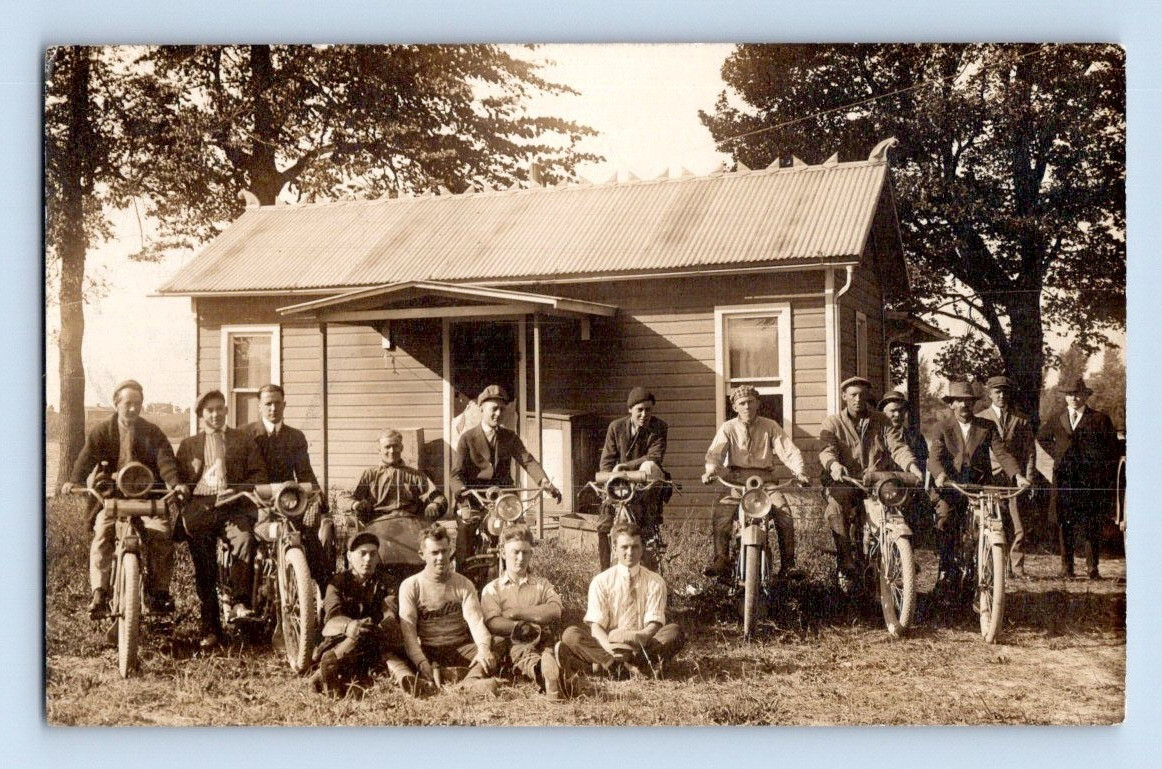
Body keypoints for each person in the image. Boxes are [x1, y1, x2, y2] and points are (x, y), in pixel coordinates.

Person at [62, 380, 188, 619]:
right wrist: (74, 481)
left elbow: (165, 461)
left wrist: (174, 483)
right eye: (128, 403)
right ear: (116, 403)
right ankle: (99, 592)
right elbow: (86, 457)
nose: (132, 408)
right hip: (111, 499)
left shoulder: (152, 433)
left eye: (137, 404)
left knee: (161, 534)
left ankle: (159, 593)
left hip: (148, 498)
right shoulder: (103, 431)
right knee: (103, 532)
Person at [175, 390, 267, 649]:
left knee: (245, 539)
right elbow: (179, 479)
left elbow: (259, 474)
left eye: (219, 409)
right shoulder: (189, 444)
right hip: (200, 509)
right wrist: (183, 494)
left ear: (227, 410)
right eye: (209, 411)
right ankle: (211, 629)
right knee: (205, 570)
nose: (215, 414)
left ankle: (240, 603)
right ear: (201, 415)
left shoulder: (243, 440)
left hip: (232, 506)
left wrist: (238, 490)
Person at [819, 377, 924, 584]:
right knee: (836, 506)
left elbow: (897, 447)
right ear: (844, 397)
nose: (858, 399)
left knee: (900, 505)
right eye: (853, 395)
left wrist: (912, 467)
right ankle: (845, 559)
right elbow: (826, 449)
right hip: (846, 481)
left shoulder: (882, 420)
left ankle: (902, 555)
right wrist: (834, 465)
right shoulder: (833, 422)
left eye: (862, 395)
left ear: (868, 396)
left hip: (876, 481)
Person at [701, 385, 810, 579]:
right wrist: (710, 471)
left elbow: (788, 450)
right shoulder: (728, 428)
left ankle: (788, 565)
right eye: (742, 403)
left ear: (758, 403)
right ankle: (721, 559)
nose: (747, 407)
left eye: (751, 402)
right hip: (736, 481)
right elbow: (715, 454)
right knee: (722, 513)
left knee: (784, 513)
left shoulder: (770, 426)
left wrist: (800, 472)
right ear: (735, 407)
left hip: (765, 482)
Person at [929, 381, 1030, 586]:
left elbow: (1002, 454)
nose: (964, 405)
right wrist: (940, 475)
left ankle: (988, 563)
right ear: (952, 404)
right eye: (959, 401)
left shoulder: (986, 426)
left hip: (979, 486)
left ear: (973, 404)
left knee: (995, 515)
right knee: (945, 520)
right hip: (951, 486)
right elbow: (934, 458)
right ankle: (945, 569)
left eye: (968, 401)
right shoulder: (942, 427)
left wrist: (1017, 476)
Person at [560, 522, 685, 679]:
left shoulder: (655, 581)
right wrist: (610, 649)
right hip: (609, 645)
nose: (630, 552)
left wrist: (640, 637)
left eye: (635, 547)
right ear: (614, 549)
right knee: (571, 634)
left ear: (643, 548)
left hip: (643, 644)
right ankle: (624, 666)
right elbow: (596, 627)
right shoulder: (601, 581)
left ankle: (606, 667)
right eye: (624, 547)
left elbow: (654, 624)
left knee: (675, 632)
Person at [450, 385, 561, 562]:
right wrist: (462, 494)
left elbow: (527, 460)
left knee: (520, 533)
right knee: (466, 530)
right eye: (494, 409)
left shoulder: (510, 437)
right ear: (481, 409)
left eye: (502, 409)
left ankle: (521, 571)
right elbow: (455, 474)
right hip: (475, 498)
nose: (498, 414)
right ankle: (464, 577)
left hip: (504, 497)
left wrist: (544, 482)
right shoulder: (468, 438)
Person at [241, 383, 329, 591]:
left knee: (311, 541)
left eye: (277, 403)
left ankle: (325, 597)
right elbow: (238, 474)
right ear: (259, 406)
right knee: (248, 543)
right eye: (268, 404)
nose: (273, 408)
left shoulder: (295, 437)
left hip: (288, 502)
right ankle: (245, 600)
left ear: (284, 405)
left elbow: (305, 472)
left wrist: (317, 497)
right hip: (255, 502)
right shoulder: (245, 435)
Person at [480, 525, 582, 700]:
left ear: (531, 554)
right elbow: (493, 622)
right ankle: (545, 674)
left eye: (526, 553)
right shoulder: (493, 589)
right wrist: (523, 626)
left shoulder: (541, 584)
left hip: (543, 635)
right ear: (503, 553)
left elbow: (554, 610)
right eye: (515, 552)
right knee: (522, 652)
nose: (521, 558)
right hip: (514, 638)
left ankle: (559, 672)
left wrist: (515, 613)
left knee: (551, 648)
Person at [397, 524, 502, 693]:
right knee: (395, 651)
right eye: (434, 553)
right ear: (422, 555)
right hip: (428, 649)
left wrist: (483, 649)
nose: (441, 557)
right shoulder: (411, 585)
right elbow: (408, 631)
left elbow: (476, 622)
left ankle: (469, 682)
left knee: (497, 643)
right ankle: (433, 675)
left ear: (450, 551)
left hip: (460, 647)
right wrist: (421, 661)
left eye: (444, 551)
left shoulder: (463, 584)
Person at [312, 531, 415, 697]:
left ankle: (331, 671)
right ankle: (334, 673)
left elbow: (391, 612)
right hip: (343, 640)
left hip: (377, 638)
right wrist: (349, 626)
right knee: (351, 641)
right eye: (362, 554)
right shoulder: (337, 583)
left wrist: (376, 628)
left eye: (373, 554)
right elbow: (331, 619)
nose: (368, 559)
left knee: (383, 647)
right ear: (349, 556)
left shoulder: (387, 582)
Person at [1036, 377, 1119, 579]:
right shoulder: (1057, 418)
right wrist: (1058, 454)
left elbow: (1111, 448)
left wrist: (1099, 468)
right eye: (1070, 394)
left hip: (1090, 481)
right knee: (1065, 523)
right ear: (1065, 397)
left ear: (1085, 396)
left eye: (1078, 394)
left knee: (1091, 524)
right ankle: (1067, 568)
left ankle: (1092, 568)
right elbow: (1042, 437)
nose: (1074, 398)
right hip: (1064, 480)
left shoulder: (1100, 419)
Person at [596, 387, 670, 569]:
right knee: (604, 526)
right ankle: (605, 572)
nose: (644, 414)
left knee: (648, 467)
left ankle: (649, 568)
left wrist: (625, 466)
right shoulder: (616, 427)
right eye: (640, 410)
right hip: (620, 483)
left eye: (648, 410)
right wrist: (608, 486)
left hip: (647, 483)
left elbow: (654, 457)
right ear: (630, 410)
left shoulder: (659, 427)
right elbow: (606, 461)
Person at [974, 376, 1037, 579]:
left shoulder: (1021, 419)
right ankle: (997, 568)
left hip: (1015, 479)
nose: (1001, 396)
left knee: (1018, 525)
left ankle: (1017, 568)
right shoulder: (980, 418)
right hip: (990, 478)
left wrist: (1028, 477)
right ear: (989, 394)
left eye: (1004, 392)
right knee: (993, 522)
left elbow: (1030, 451)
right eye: (997, 392)